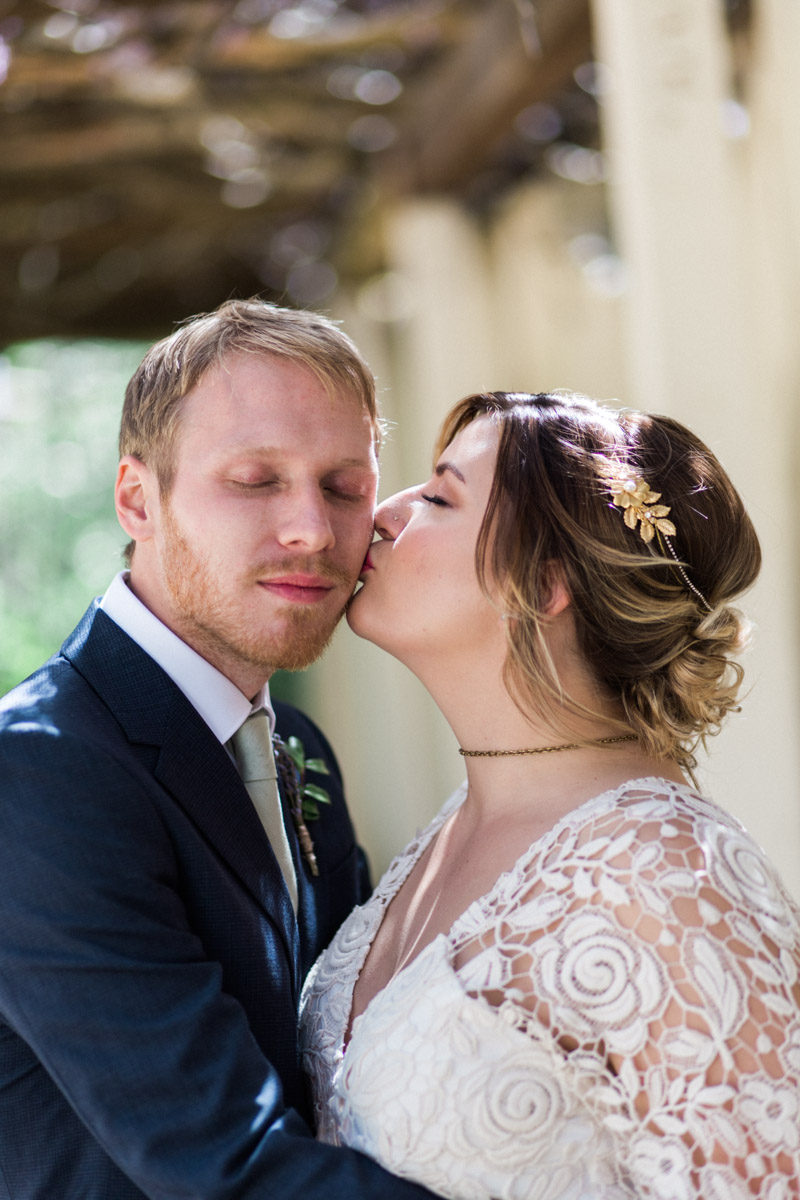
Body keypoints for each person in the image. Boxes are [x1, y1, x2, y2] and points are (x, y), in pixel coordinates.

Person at [301, 390, 800, 1198]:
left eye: (437, 496)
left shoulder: (669, 878)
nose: (383, 513)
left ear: (542, 584)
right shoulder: (443, 838)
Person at [0, 299, 438, 1199]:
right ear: (137, 498)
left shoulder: (299, 749)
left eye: (345, 487)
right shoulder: (38, 770)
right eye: (254, 480)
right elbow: (227, 1165)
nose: (313, 531)